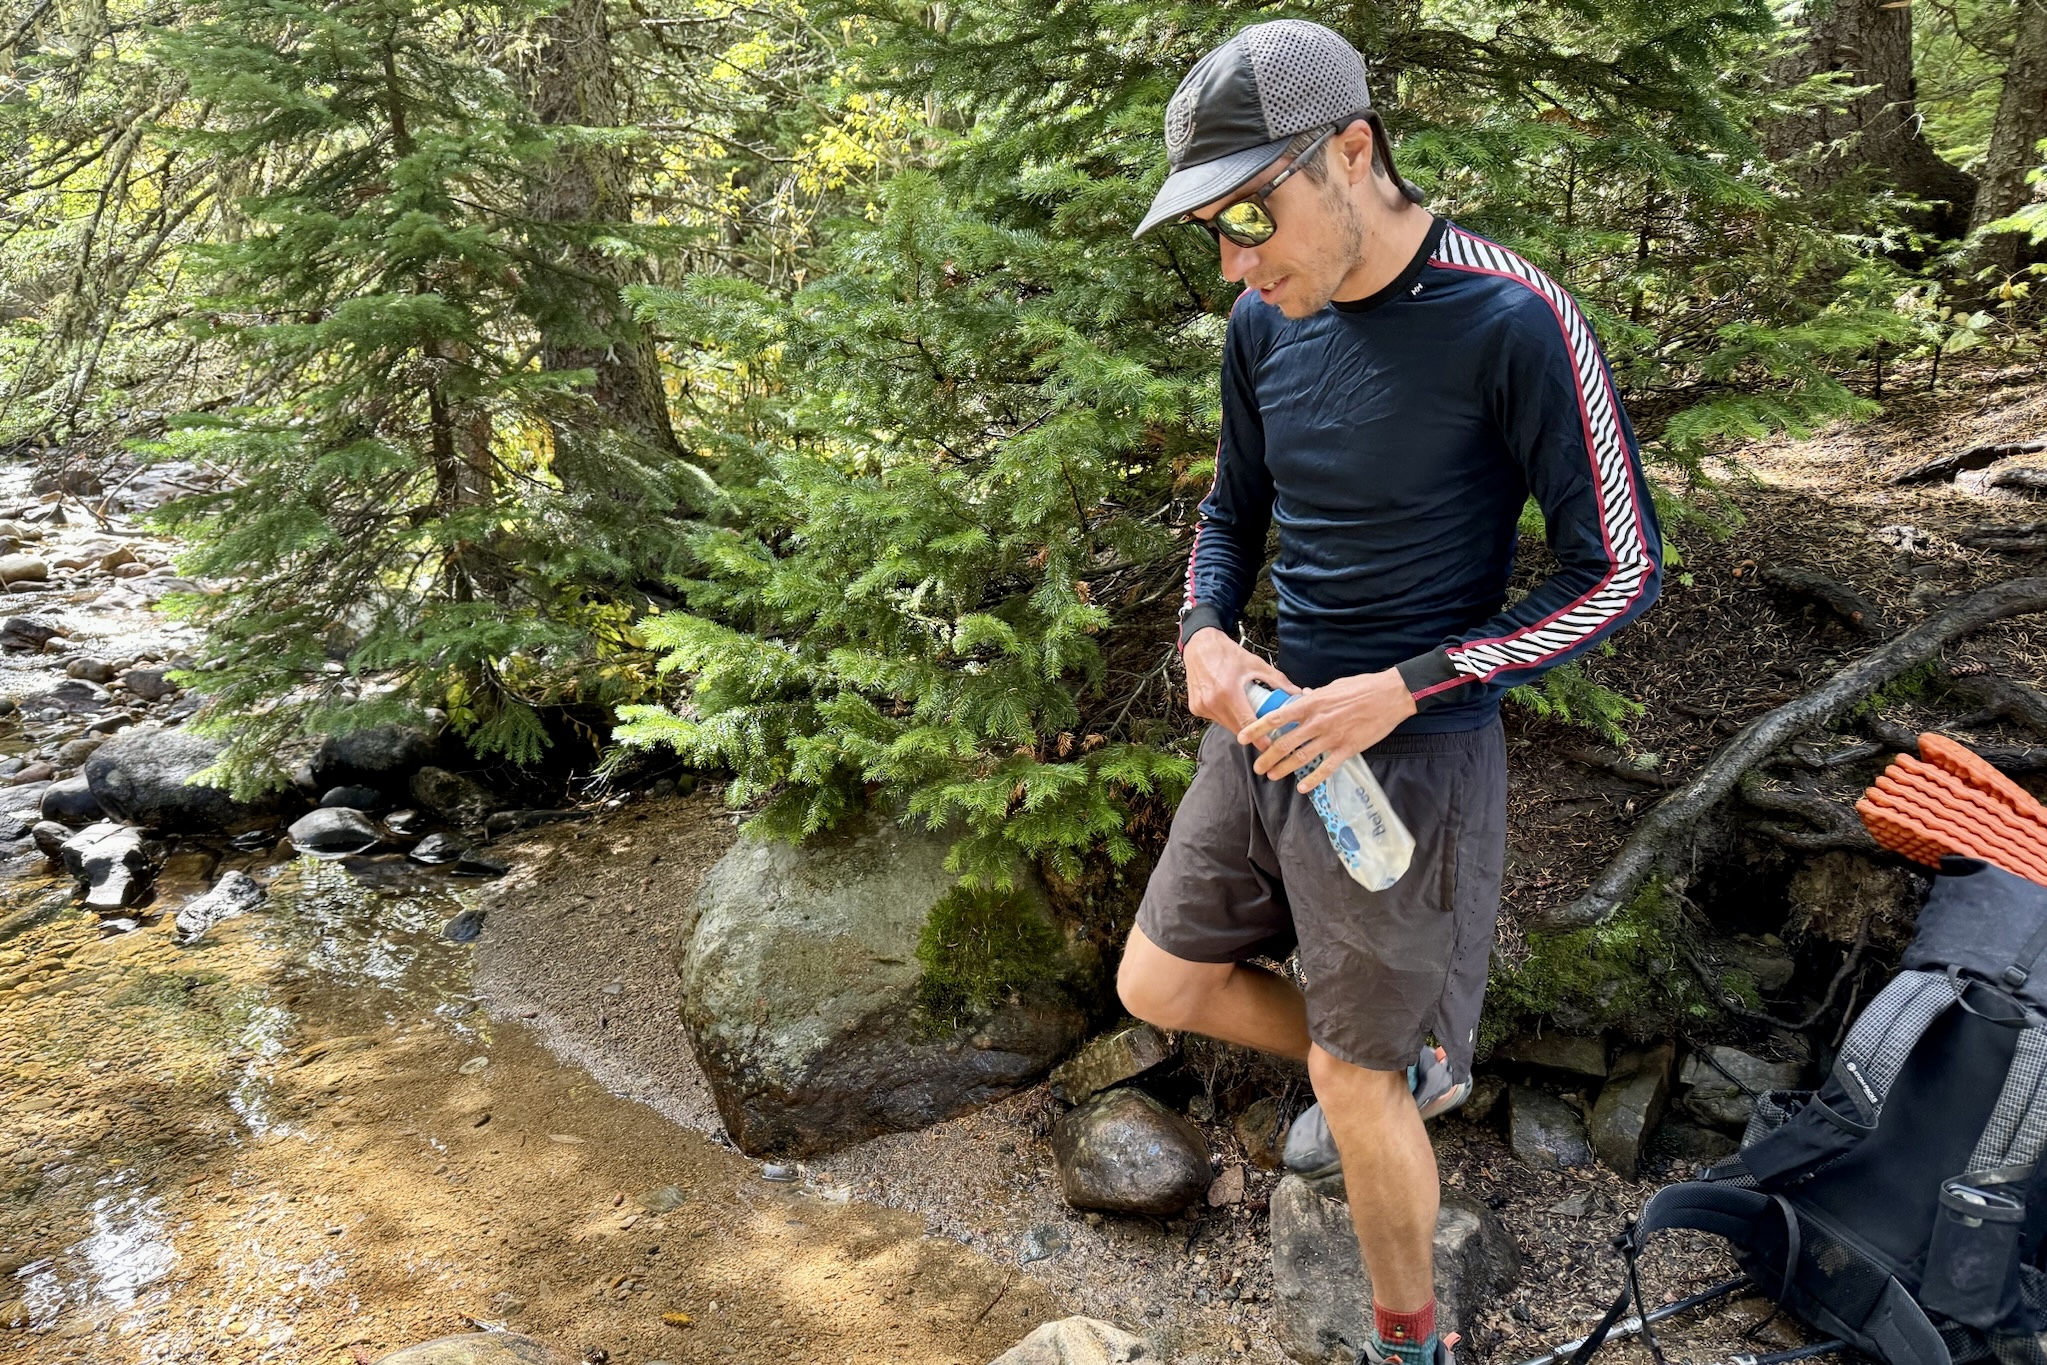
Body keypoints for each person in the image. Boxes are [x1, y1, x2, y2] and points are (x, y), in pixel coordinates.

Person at [1120, 19, 1663, 1365]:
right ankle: (1399, 1055)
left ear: (1353, 151)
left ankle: (1409, 1340)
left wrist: (1410, 686)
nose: (1236, 261)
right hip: (1269, 722)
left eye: (1251, 211)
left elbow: (1619, 572)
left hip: (1412, 755)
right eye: (1210, 228)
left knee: (1351, 1091)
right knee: (1158, 980)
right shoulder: (1262, 324)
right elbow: (1230, 510)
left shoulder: (1510, 316)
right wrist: (1201, 632)